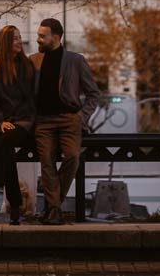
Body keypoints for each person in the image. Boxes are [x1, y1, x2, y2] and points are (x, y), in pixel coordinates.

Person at [30, 18, 101, 225]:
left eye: (43, 35)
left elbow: (94, 94)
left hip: (70, 120)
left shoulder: (76, 60)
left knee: (72, 158)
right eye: (39, 35)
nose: (38, 39)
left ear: (56, 37)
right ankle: (54, 211)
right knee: (47, 163)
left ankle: (52, 207)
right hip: (43, 121)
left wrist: (82, 117)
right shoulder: (33, 60)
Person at [0, 25, 35, 225]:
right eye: (15, 39)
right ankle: (15, 206)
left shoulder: (27, 66)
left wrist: (19, 121)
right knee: (5, 146)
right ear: (5, 43)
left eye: (20, 38)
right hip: (0, 123)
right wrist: (1, 121)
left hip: (22, 121)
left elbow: (30, 99)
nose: (20, 42)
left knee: (5, 142)